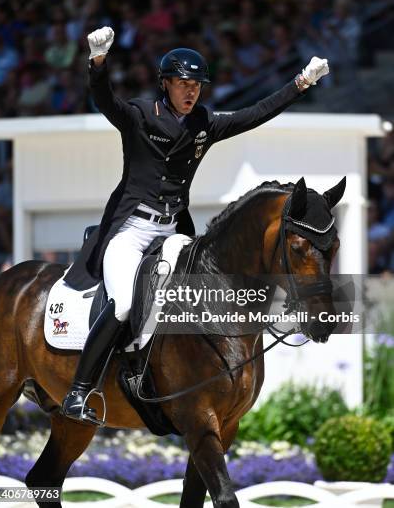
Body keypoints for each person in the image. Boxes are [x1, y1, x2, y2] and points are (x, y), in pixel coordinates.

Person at [61, 26, 329, 425]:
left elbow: (253, 115)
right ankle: (78, 392)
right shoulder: (138, 115)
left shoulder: (204, 122)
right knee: (124, 305)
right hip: (132, 231)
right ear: (166, 84)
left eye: (197, 86)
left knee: (197, 298)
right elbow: (105, 102)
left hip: (173, 232)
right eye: (184, 85)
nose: (191, 93)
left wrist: (301, 82)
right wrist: (97, 63)